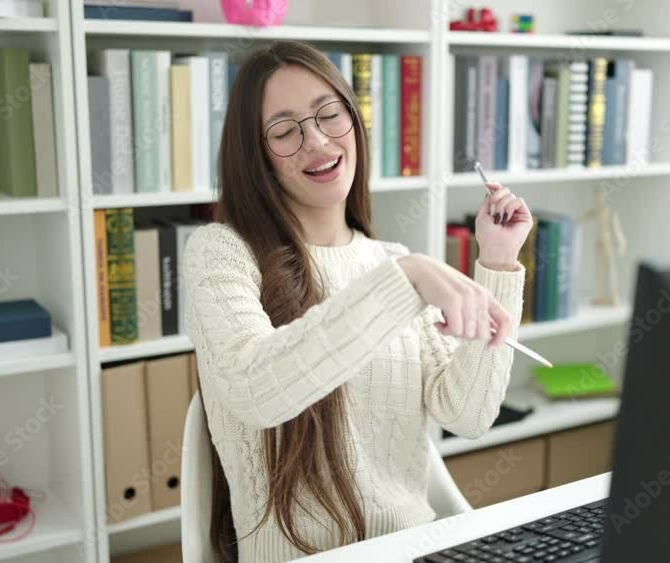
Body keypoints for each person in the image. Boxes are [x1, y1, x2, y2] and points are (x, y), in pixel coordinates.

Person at [182, 40, 534, 563]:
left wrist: (499, 263)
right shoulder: (220, 251)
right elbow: (254, 390)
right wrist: (406, 279)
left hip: (415, 549)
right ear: (256, 157)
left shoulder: (388, 261)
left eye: (329, 114)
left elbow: (468, 414)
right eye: (284, 131)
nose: (317, 141)